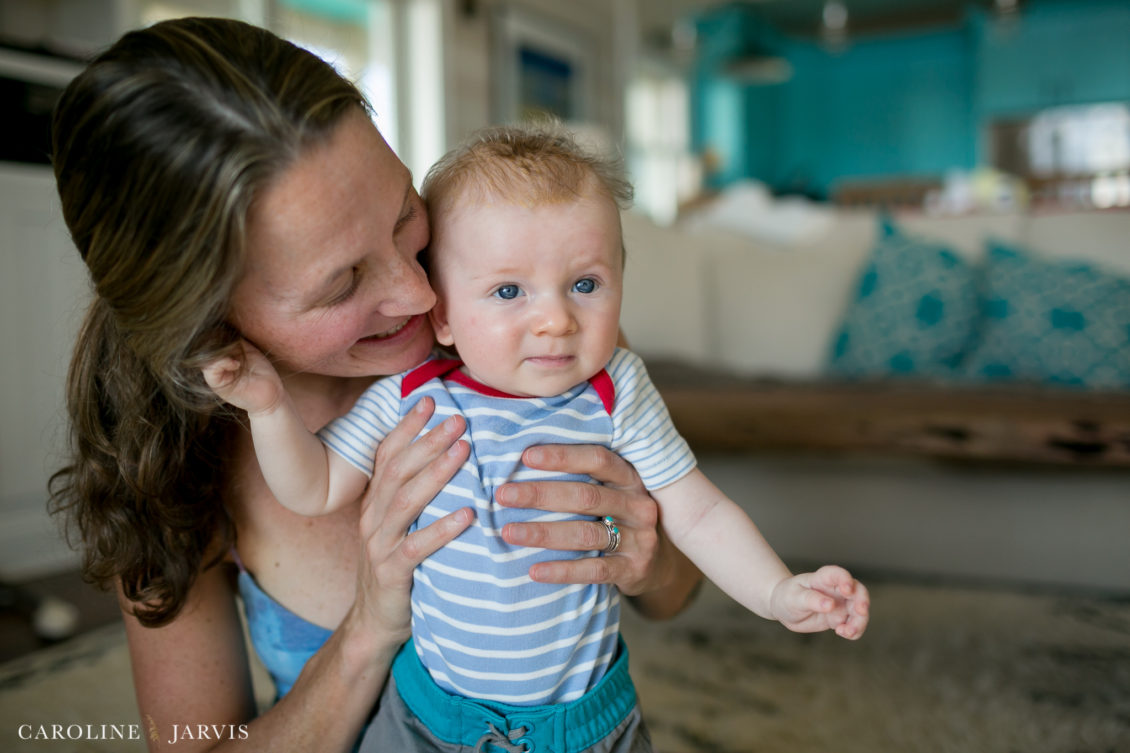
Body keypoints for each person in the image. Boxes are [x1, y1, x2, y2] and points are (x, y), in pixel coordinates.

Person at [47, 17, 704, 753]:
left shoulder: (528, 327)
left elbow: (677, 592)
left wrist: (647, 554)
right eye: (342, 285)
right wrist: (368, 627)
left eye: (401, 217)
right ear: (209, 328)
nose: (421, 295)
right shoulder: (167, 472)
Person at [202, 123, 872, 752]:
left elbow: (699, 511)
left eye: (584, 284)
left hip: (583, 724)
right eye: (508, 290)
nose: (555, 318)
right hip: (428, 717)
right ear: (441, 314)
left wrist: (779, 592)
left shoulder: (615, 389)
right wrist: (267, 407)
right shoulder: (415, 395)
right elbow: (313, 486)